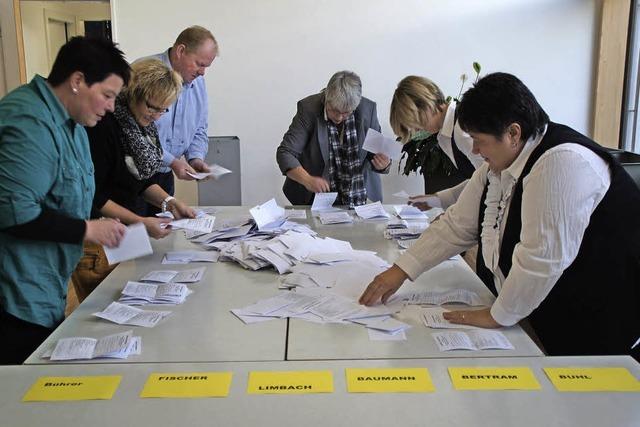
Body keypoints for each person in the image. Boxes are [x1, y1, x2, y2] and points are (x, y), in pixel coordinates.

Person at [360, 72, 640, 360]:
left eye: (479, 141)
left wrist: (497, 315)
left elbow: (541, 259)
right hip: (546, 316)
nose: (475, 150)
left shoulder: (561, 163)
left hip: (601, 325)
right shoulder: (501, 163)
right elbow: (457, 225)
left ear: (513, 133)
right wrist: (399, 271)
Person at [0, 37, 131, 364]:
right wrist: (88, 230)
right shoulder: (30, 123)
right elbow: (16, 215)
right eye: (107, 95)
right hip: (16, 294)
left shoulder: (73, 123)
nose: (111, 107)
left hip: (46, 284)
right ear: (77, 81)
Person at [72, 59, 196, 302]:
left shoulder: (142, 128)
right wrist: (140, 221)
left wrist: (170, 202)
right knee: (100, 313)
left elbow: (138, 182)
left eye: (164, 110)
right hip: (97, 236)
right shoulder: (103, 126)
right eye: (153, 108)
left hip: (121, 233)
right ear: (133, 94)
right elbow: (95, 195)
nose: (157, 116)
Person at [276, 71, 391, 207]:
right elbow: (285, 153)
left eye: (346, 113)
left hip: (358, 196)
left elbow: (376, 153)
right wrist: (307, 180)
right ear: (327, 98)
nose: (339, 117)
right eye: (334, 110)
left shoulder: (368, 109)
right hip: (314, 197)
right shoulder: (308, 109)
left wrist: (384, 164)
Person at [136, 26, 218, 215]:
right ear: (181, 51)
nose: (203, 72)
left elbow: (199, 127)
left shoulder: (198, 82)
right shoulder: (146, 72)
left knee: (164, 234)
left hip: (164, 177)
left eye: (206, 66)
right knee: (137, 236)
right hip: (135, 175)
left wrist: (195, 158)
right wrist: (172, 161)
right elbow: (136, 132)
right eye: (200, 64)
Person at [390, 75, 483, 210]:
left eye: (416, 122)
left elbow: (491, 181)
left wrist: (452, 218)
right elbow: (478, 181)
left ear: (425, 105)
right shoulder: (445, 135)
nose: (416, 130)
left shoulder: (461, 130)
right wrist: (436, 200)